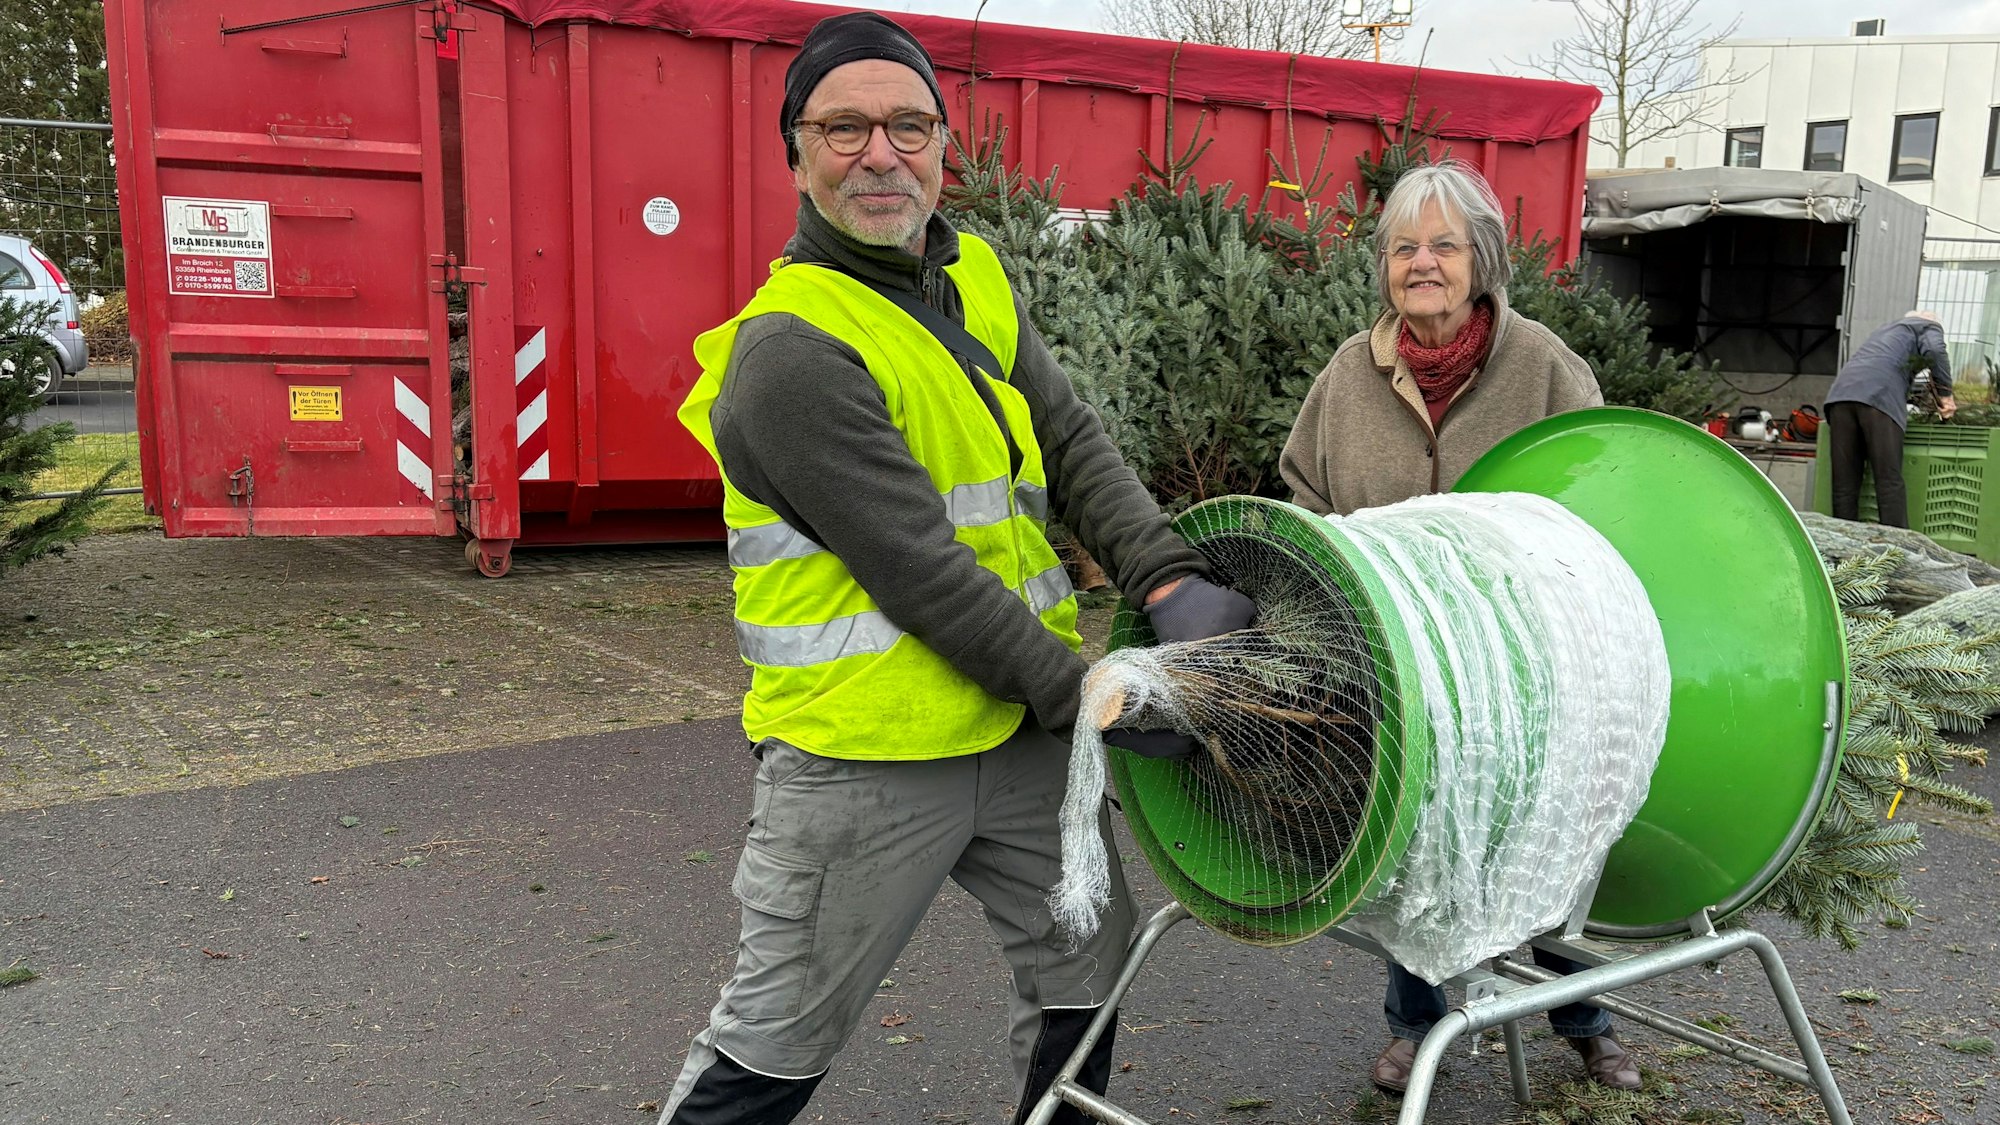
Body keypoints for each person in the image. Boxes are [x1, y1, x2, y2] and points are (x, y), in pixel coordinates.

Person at [659, 13, 1255, 1125]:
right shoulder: (788, 352)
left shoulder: (973, 277)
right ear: (794, 151)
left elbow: (1070, 441)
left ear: (944, 143)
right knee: (778, 1040)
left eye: (908, 124)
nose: (880, 153)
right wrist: (1089, 694)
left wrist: (1166, 577)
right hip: (866, 758)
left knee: (1091, 964)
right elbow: (921, 572)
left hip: (1018, 740)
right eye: (844, 128)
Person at [1277, 160, 1639, 1094]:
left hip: (1527, 661)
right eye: (1404, 248)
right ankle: (1415, 1023)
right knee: (1415, 836)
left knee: (1551, 837)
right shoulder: (1351, 375)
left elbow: (1599, 499)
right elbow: (1305, 497)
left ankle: (1583, 1016)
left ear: (1482, 260)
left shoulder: (1546, 367)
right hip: (1397, 657)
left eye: (1442, 245)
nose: (1421, 264)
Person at [1824, 311, 1956, 528]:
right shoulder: (1926, 326)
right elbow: (1935, 350)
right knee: (1888, 481)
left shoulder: (1886, 332)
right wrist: (1946, 395)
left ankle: (1842, 550)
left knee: (1844, 486)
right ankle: (1897, 551)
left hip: (1840, 398)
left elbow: (1882, 366)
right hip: (1878, 398)